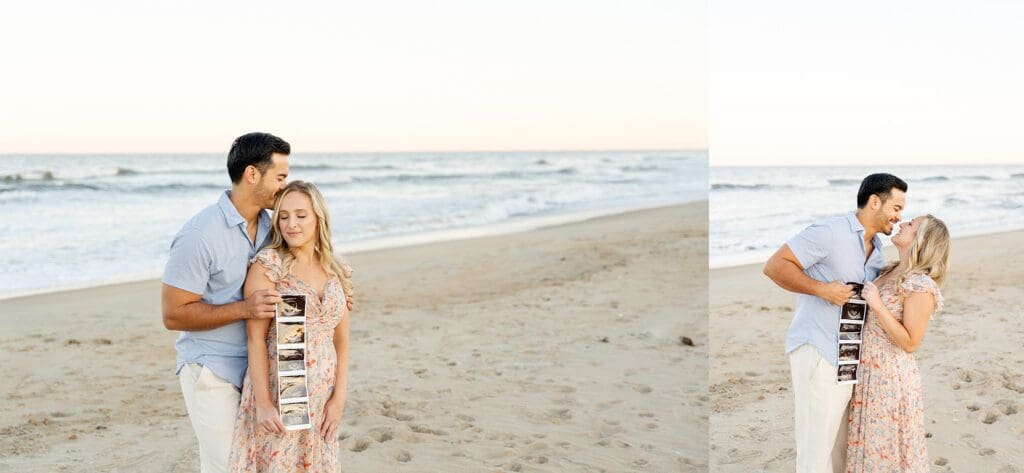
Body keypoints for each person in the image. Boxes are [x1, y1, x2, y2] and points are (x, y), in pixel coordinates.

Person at [161, 132, 291, 473]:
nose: (284, 186)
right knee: (230, 467)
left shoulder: (271, 227)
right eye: (280, 177)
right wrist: (244, 310)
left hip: (257, 370)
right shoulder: (200, 235)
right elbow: (173, 314)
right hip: (211, 370)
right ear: (252, 174)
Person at [763, 173, 907, 473]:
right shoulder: (830, 232)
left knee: (841, 450)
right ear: (874, 202)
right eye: (896, 207)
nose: (898, 216)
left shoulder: (877, 250)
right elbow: (775, 266)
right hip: (820, 351)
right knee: (815, 451)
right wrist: (822, 289)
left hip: (850, 359)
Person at [229, 181, 353, 472]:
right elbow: (255, 339)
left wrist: (338, 400)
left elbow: (342, 341)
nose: (291, 224)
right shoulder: (270, 267)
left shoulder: (336, 269)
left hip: (323, 397)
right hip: (284, 393)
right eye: (283, 216)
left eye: (301, 215)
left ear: (318, 217)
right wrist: (263, 403)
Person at [846, 215, 949, 472]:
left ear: (922, 239)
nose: (902, 223)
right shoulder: (889, 270)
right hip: (867, 371)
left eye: (911, 224)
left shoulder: (920, 285)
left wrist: (878, 306)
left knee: (887, 449)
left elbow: (911, 342)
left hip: (890, 377)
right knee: (868, 446)